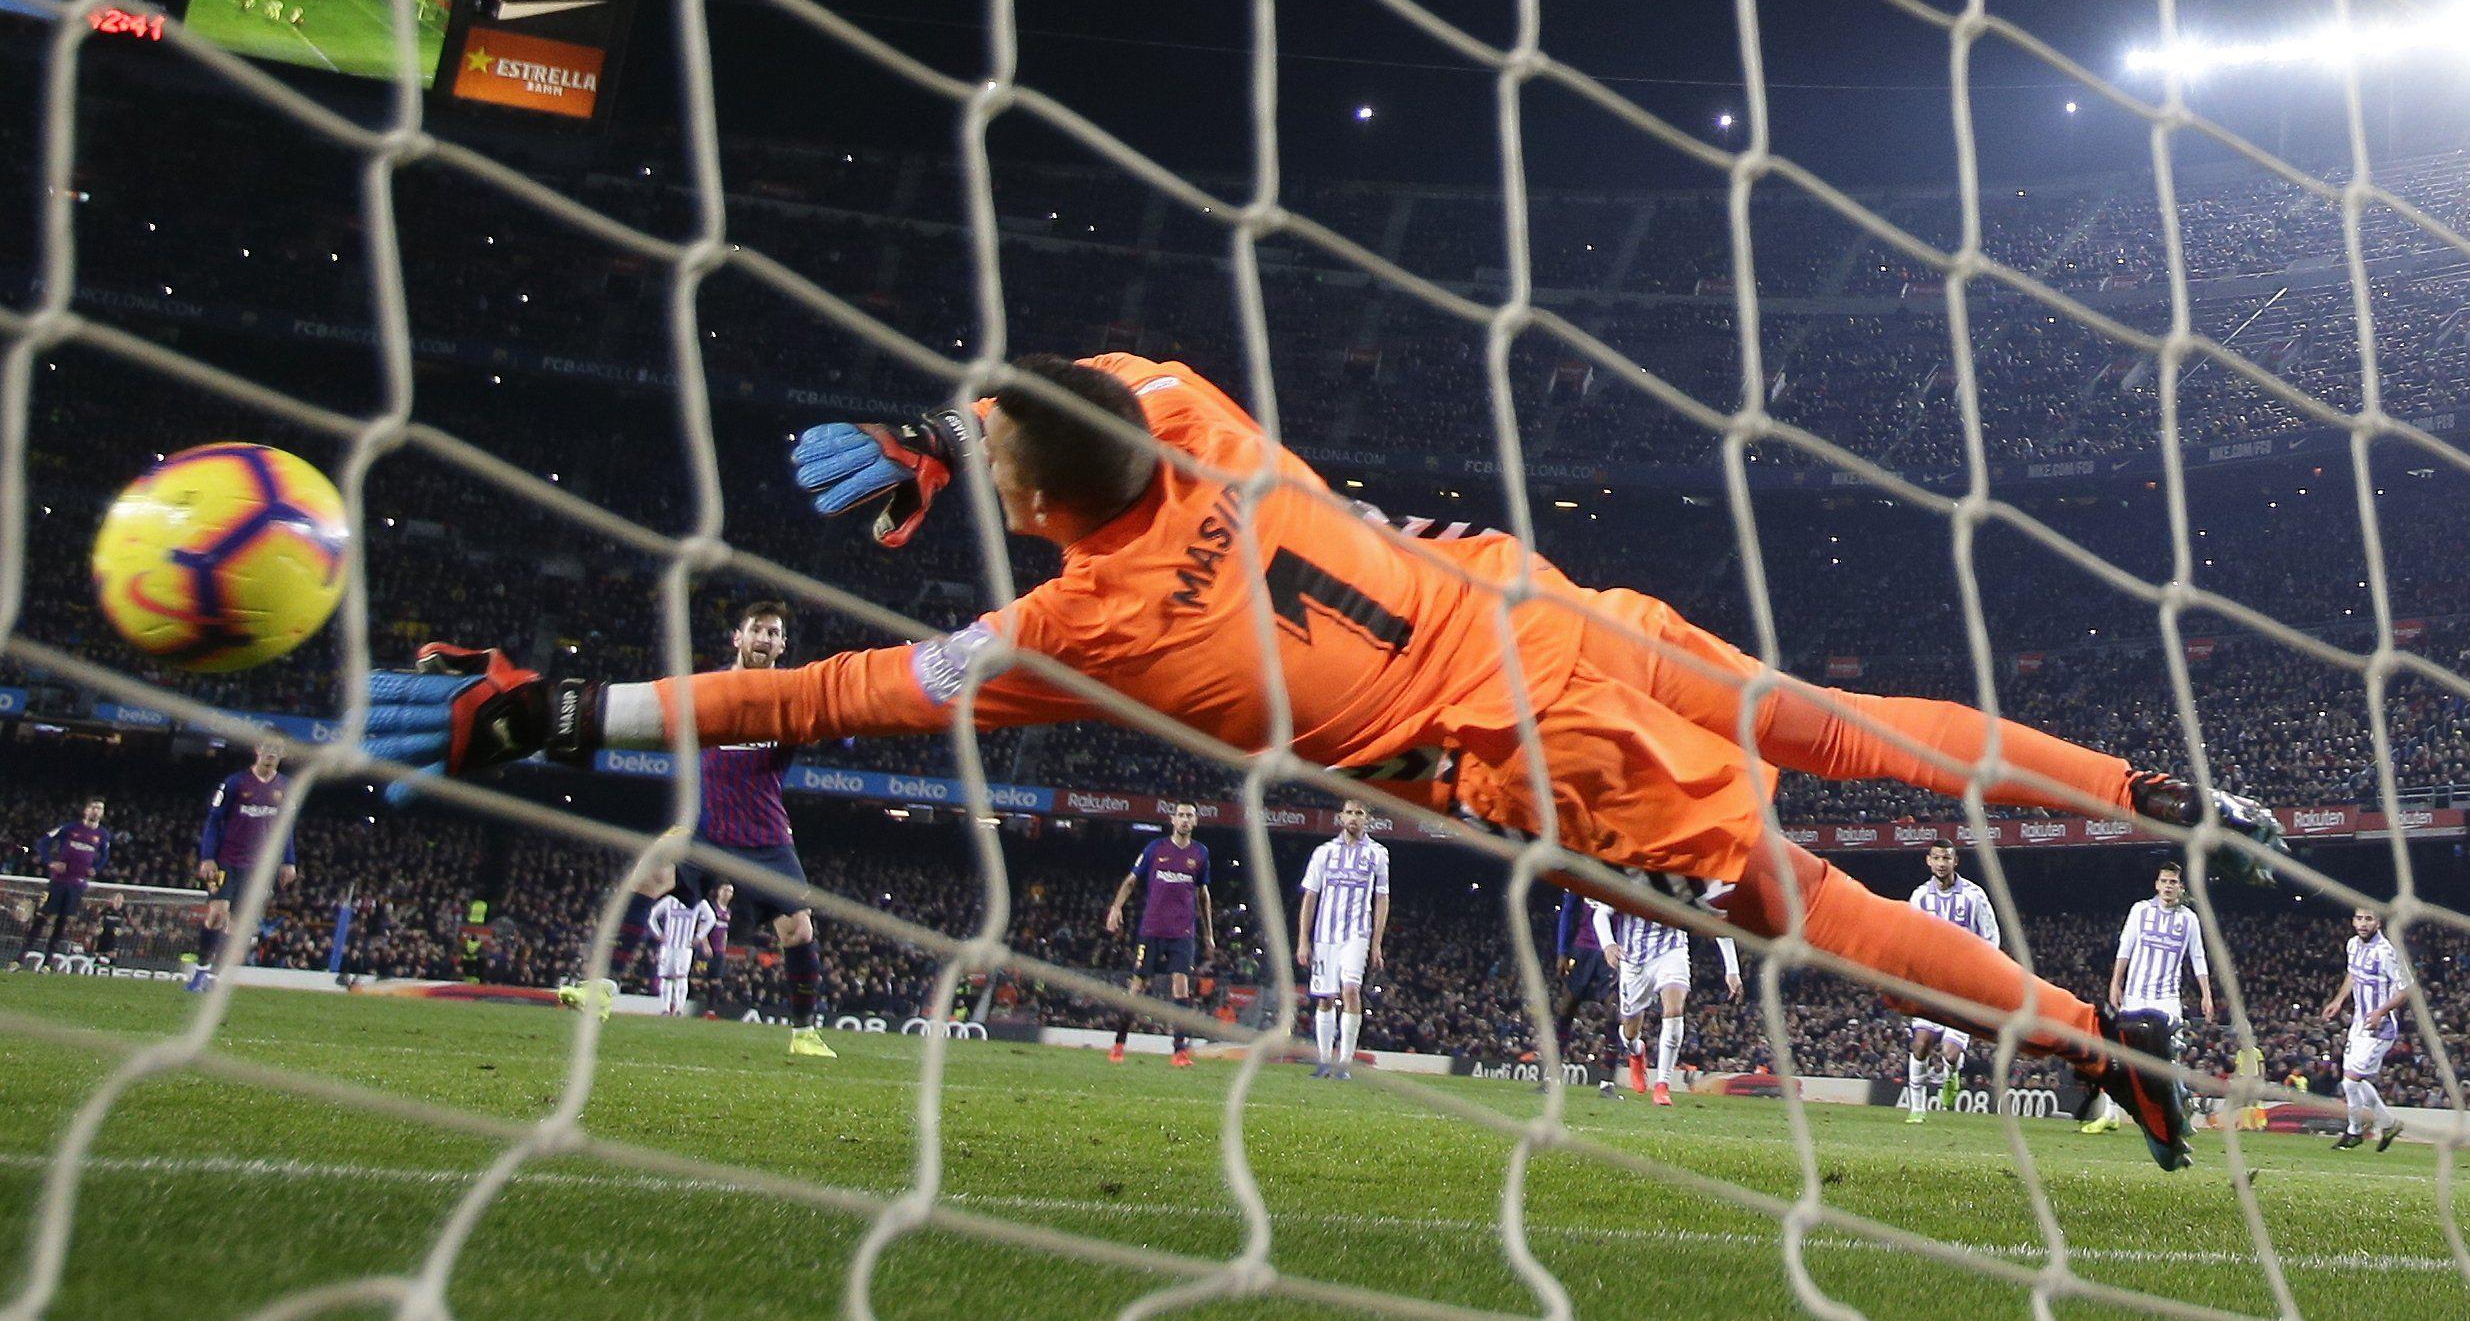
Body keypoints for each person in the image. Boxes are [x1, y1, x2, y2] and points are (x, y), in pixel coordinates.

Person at [368, 353, 2289, 1168]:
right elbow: (1091, 388)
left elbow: (824, 696)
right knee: (1822, 717)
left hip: (1519, 733)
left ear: (1041, 508)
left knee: (1801, 898)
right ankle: (2134, 787)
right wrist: (941, 430)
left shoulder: (1080, 631)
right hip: (1529, 601)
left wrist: (565, 710)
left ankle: (2082, 1032)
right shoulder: (1191, 414)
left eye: (994, 478)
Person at [557, 601, 835, 1059]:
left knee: (797, 931)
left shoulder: (788, 696)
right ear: (738, 638)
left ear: (782, 645)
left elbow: (830, 725)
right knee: (648, 876)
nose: (765, 639)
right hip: (704, 827)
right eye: (758, 630)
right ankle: (602, 988)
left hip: (763, 833)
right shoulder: (706, 690)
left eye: (774, 633)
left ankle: (804, 1030)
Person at [2084, 861, 2214, 1136]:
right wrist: (2115, 983)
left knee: (2170, 1057)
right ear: (2157, 884)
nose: (2168, 886)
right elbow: (2125, 947)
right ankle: (2109, 1115)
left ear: (2181, 887)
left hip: (2166, 999)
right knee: (2118, 1055)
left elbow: (2198, 957)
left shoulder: (2188, 919)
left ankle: (2179, 1116)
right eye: (2164, 881)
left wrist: (2206, 994)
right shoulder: (2140, 911)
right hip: (2135, 995)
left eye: (2173, 882)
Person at [1102, 801, 1214, 1067]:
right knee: (1138, 986)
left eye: (1190, 816)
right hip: (1152, 929)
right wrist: (1115, 908)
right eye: (1181, 815)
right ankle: (1119, 1044)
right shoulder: (1156, 849)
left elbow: (1203, 895)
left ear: (1195, 821)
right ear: (1172, 820)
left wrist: (1208, 934)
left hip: (1183, 931)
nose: (1185, 820)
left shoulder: (1200, 853)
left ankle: (1179, 1051)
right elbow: (1131, 881)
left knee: (1181, 984)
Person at [1603, 902, 1738, 1103]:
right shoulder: (1632, 874)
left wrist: (1732, 970)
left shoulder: (1683, 881)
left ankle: (1662, 1085)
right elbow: (1601, 913)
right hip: (1634, 960)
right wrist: (1608, 943)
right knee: (1630, 1031)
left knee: (1674, 1009)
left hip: (1672, 950)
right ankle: (1636, 1051)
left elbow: (1716, 919)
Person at [1905, 841, 2000, 1123]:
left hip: (1962, 988)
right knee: (1920, 1044)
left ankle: (1951, 1074)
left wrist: (1981, 971)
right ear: (1928, 862)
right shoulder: (1920, 897)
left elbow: (1992, 936)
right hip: (1930, 986)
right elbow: (1910, 937)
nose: (1941, 863)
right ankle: (1917, 1108)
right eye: (1936, 858)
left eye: (1946, 858)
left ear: (1955, 861)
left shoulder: (1974, 896)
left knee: (1949, 1052)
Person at [190, 744, 296, 991]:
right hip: (224, 862)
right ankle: (201, 970)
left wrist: (289, 861)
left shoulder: (286, 788)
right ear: (257, 749)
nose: (271, 753)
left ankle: (214, 978)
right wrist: (207, 857)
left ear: (283, 754)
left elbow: (286, 828)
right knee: (216, 914)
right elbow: (214, 821)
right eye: (267, 747)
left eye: (277, 749)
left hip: (258, 869)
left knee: (237, 924)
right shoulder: (235, 782)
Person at [1297, 800, 1390, 1079]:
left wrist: (1376, 942)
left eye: (1359, 813)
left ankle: (1345, 1063)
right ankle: (1325, 1060)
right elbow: (1310, 897)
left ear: (1367, 819)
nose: (1353, 817)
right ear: (1340, 818)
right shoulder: (1324, 853)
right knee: (1325, 998)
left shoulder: (1377, 853)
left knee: (1351, 990)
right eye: (1349, 812)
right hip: (1325, 936)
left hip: (1357, 934)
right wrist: (1303, 939)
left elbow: (1382, 898)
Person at [2321, 906, 2411, 1152]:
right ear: (2353, 921)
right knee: (2350, 1081)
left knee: (2351, 1080)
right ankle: (2387, 1124)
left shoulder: (2386, 952)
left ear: (2378, 923)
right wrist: (2338, 1001)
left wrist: (2380, 1012)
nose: (2363, 923)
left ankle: (2355, 1132)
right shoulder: (2353, 945)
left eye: (2368, 919)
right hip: (2360, 1023)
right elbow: (2353, 975)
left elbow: (2406, 989)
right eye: (2359, 918)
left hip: (2380, 1027)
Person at [17, 798, 110, 970]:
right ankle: (20, 958)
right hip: (59, 881)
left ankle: (48, 963)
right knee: (42, 918)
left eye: (100, 808)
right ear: (86, 810)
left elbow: (104, 855)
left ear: (102, 813)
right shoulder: (70, 828)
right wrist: (50, 862)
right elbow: (42, 842)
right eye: (93, 807)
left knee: (62, 923)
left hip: (77, 885)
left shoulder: (102, 834)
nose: (96, 811)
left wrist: (95, 868)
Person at [1549, 888, 1617, 1057]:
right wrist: (1562, 951)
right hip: (1583, 947)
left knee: (1614, 1011)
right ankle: (1552, 1074)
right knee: (1566, 1006)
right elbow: (1568, 908)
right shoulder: (1583, 871)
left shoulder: (1623, 871)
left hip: (1611, 948)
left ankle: (1607, 1079)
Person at [648, 892, 720, 1018]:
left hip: (685, 947)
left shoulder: (698, 900)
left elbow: (711, 918)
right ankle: (665, 1008)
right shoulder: (670, 899)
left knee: (681, 977)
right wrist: (658, 933)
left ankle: (679, 1008)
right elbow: (652, 916)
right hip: (668, 946)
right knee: (666, 977)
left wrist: (699, 937)